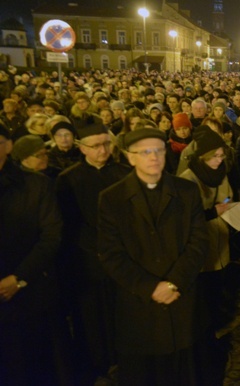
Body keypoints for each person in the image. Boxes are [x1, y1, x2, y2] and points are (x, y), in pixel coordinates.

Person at [97, 128, 212, 385]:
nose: (154, 157)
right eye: (145, 152)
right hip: (139, 304)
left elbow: (198, 242)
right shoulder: (112, 198)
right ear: (130, 157)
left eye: (159, 150)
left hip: (182, 299)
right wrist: (151, 287)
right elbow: (111, 254)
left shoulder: (187, 191)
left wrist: (173, 283)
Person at [55, 122, 131, 384]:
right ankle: (97, 362)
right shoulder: (68, 179)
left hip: (121, 256)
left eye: (107, 144)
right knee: (92, 316)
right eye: (96, 145)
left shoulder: (124, 173)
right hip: (87, 260)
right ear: (82, 148)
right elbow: (67, 226)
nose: (103, 150)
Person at [0, 122, 74, 385]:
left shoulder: (35, 185)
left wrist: (18, 278)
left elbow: (51, 235)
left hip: (32, 292)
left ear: (8, 146)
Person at [178, 128, 232, 335]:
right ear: (202, 157)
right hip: (202, 241)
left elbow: (227, 196)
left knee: (218, 283)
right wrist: (211, 212)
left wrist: (228, 204)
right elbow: (184, 218)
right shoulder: (188, 178)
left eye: (221, 155)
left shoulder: (221, 174)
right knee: (204, 289)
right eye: (214, 157)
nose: (219, 160)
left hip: (221, 236)